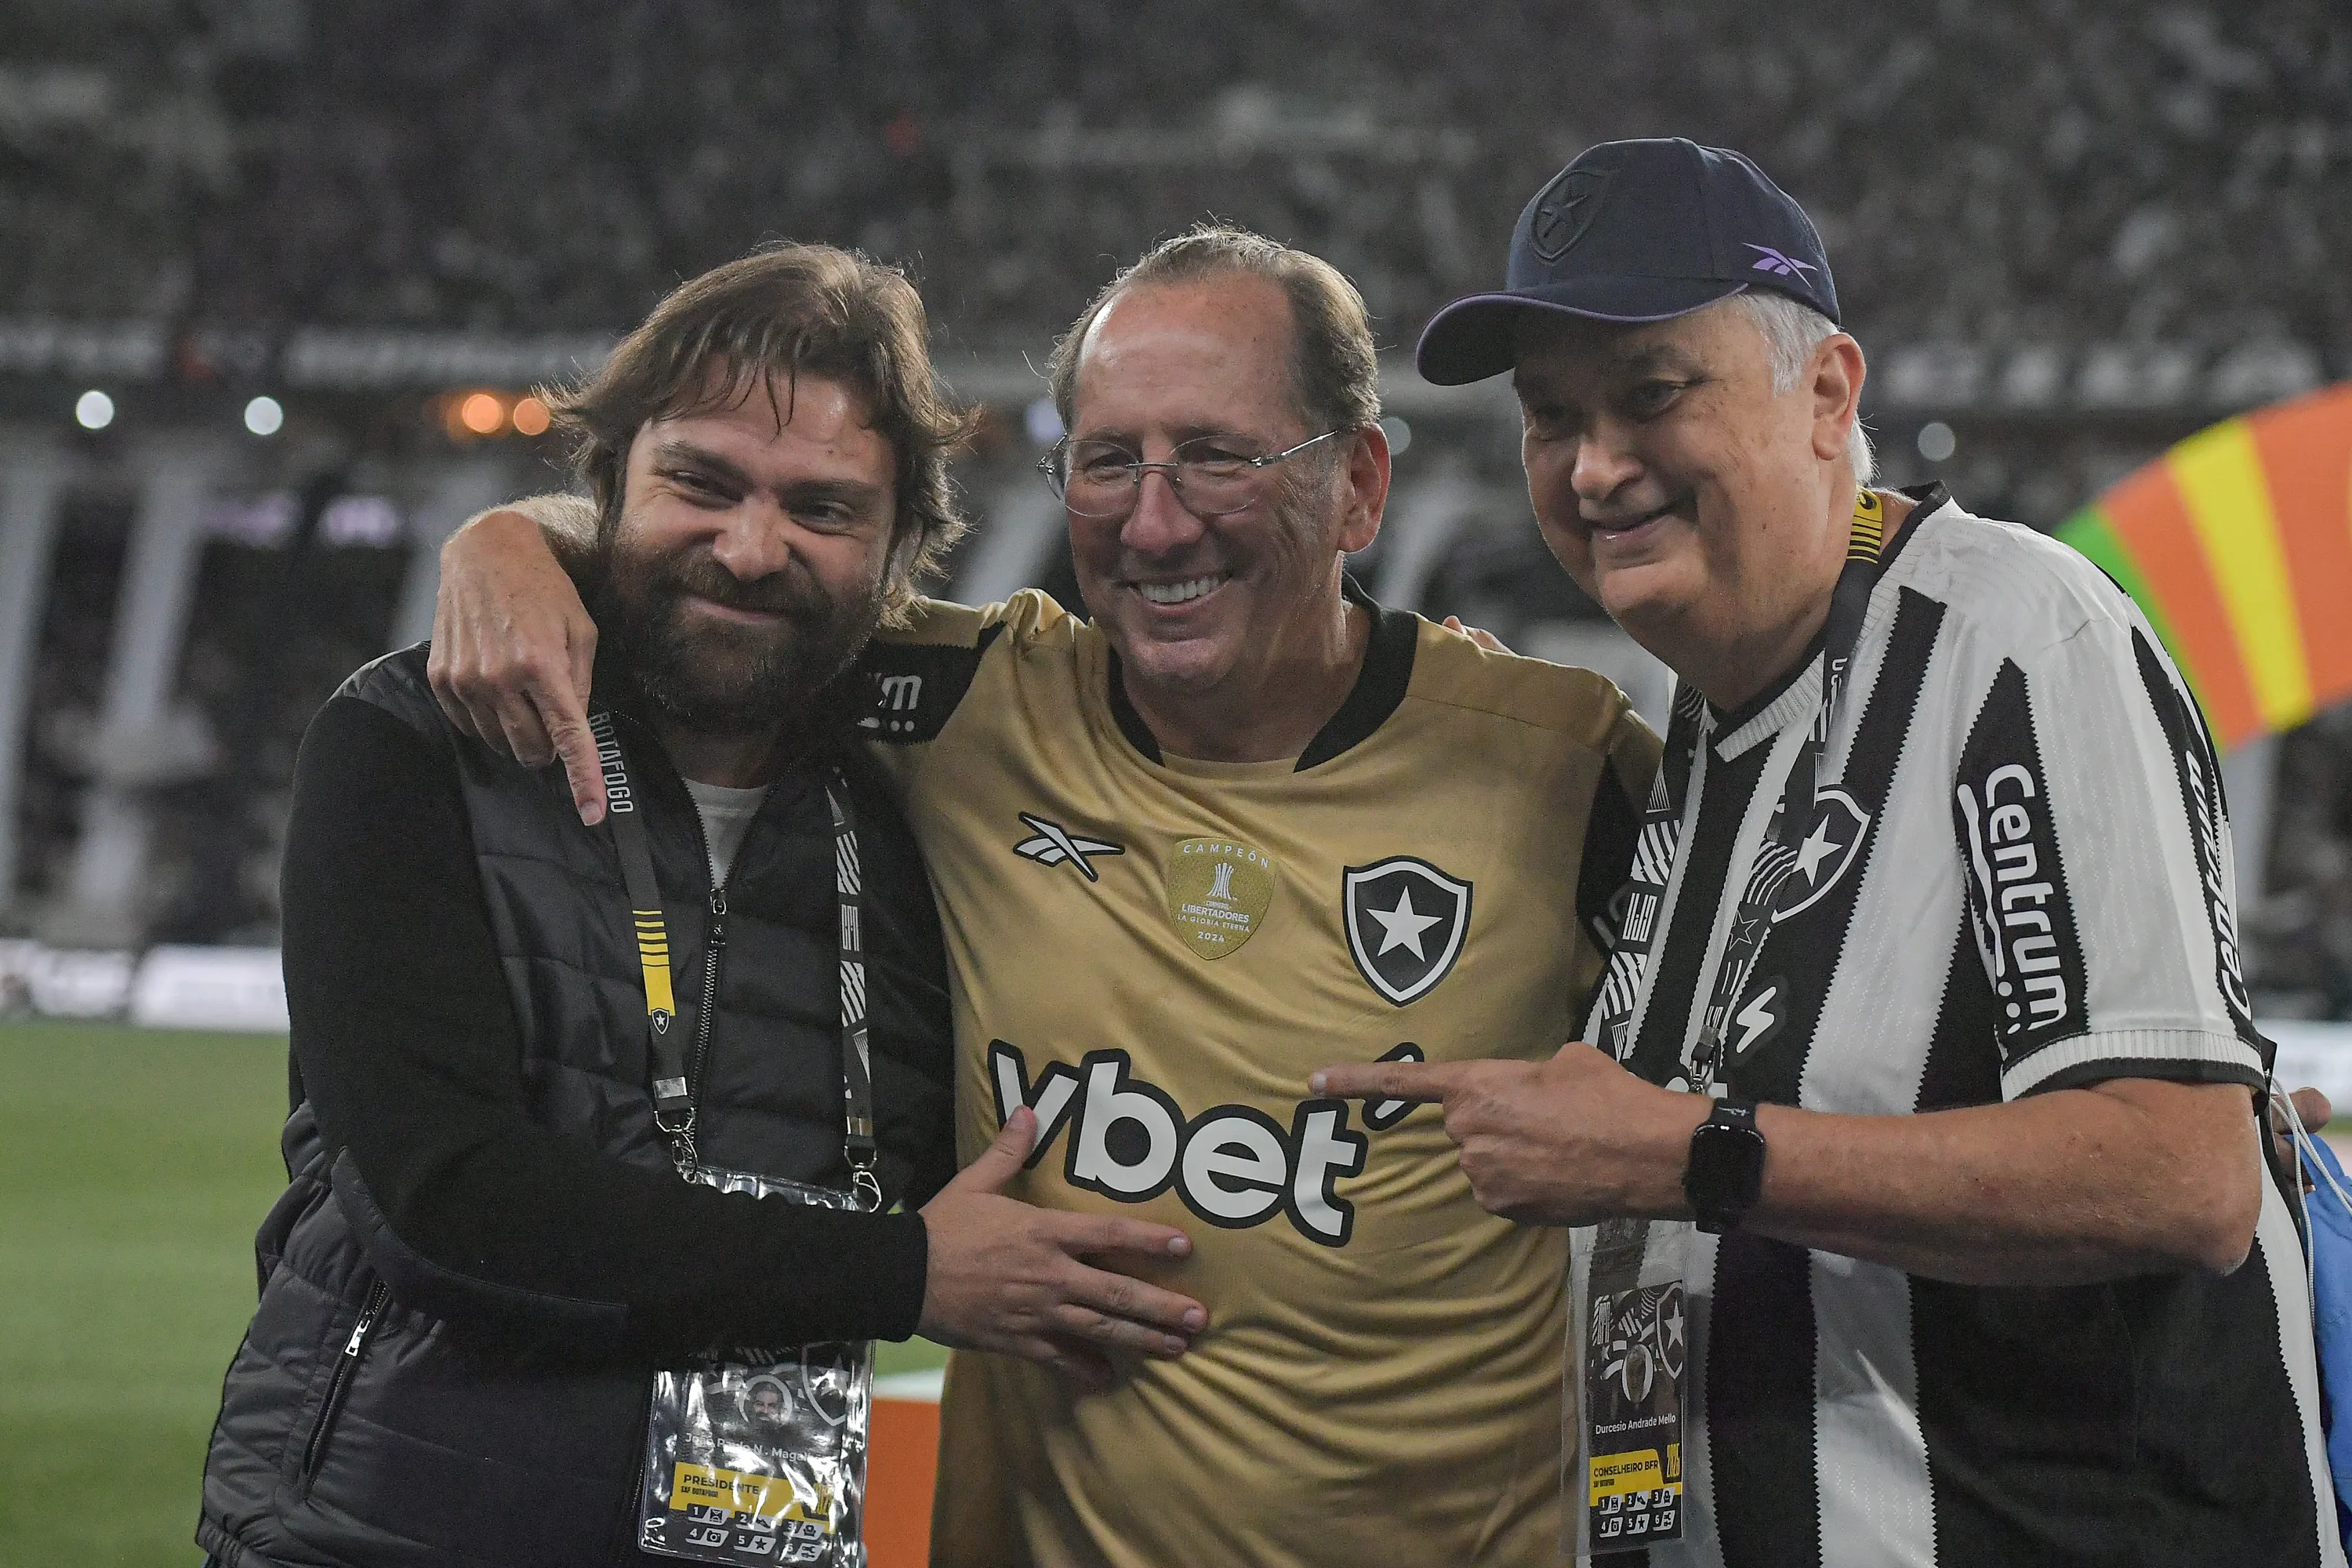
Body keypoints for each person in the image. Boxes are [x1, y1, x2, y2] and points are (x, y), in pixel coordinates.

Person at [428, 227, 1658, 1565]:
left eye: (1218, 457)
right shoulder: (966, 707)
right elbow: (720, 570)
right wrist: (513, 541)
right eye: (1109, 460)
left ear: (1358, 488)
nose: (1154, 519)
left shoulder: (1561, 771)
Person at [1317, 137, 2343, 1565]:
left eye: (1653, 394)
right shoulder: (1707, 727)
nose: (1595, 465)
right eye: (1552, 418)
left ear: (1828, 394)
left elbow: (2182, 1173)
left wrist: (1697, 1154)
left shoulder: (2011, 638)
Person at [198, 243, 1204, 1568]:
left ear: (902, 548)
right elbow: (447, 1197)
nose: (749, 548)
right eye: (702, 483)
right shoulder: (412, 742)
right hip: (382, 1527)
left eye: (824, 510)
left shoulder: (929, 798)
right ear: (610, 483)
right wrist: (906, 1274)